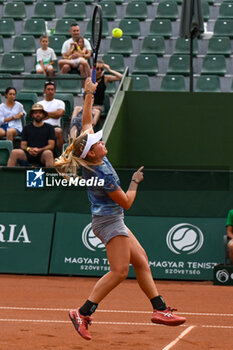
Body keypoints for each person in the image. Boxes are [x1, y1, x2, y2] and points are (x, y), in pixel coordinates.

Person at [54, 78, 186, 341]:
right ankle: (83, 312)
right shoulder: (102, 172)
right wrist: (135, 182)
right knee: (119, 271)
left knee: (141, 260)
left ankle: (160, 310)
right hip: (110, 222)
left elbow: (88, 123)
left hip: (111, 220)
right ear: (92, 153)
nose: (104, 143)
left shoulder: (93, 156)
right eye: (100, 144)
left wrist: (89, 94)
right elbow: (126, 202)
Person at [39, 81, 65, 153]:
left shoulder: (60, 102)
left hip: (54, 126)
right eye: (48, 89)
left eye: (52, 89)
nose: (50, 91)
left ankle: (61, 154)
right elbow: (38, 116)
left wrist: (45, 114)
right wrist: (53, 114)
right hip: (41, 126)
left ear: (55, 91)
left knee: (58, 131)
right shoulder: (39, 104)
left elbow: (59, 114)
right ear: (44, 90)